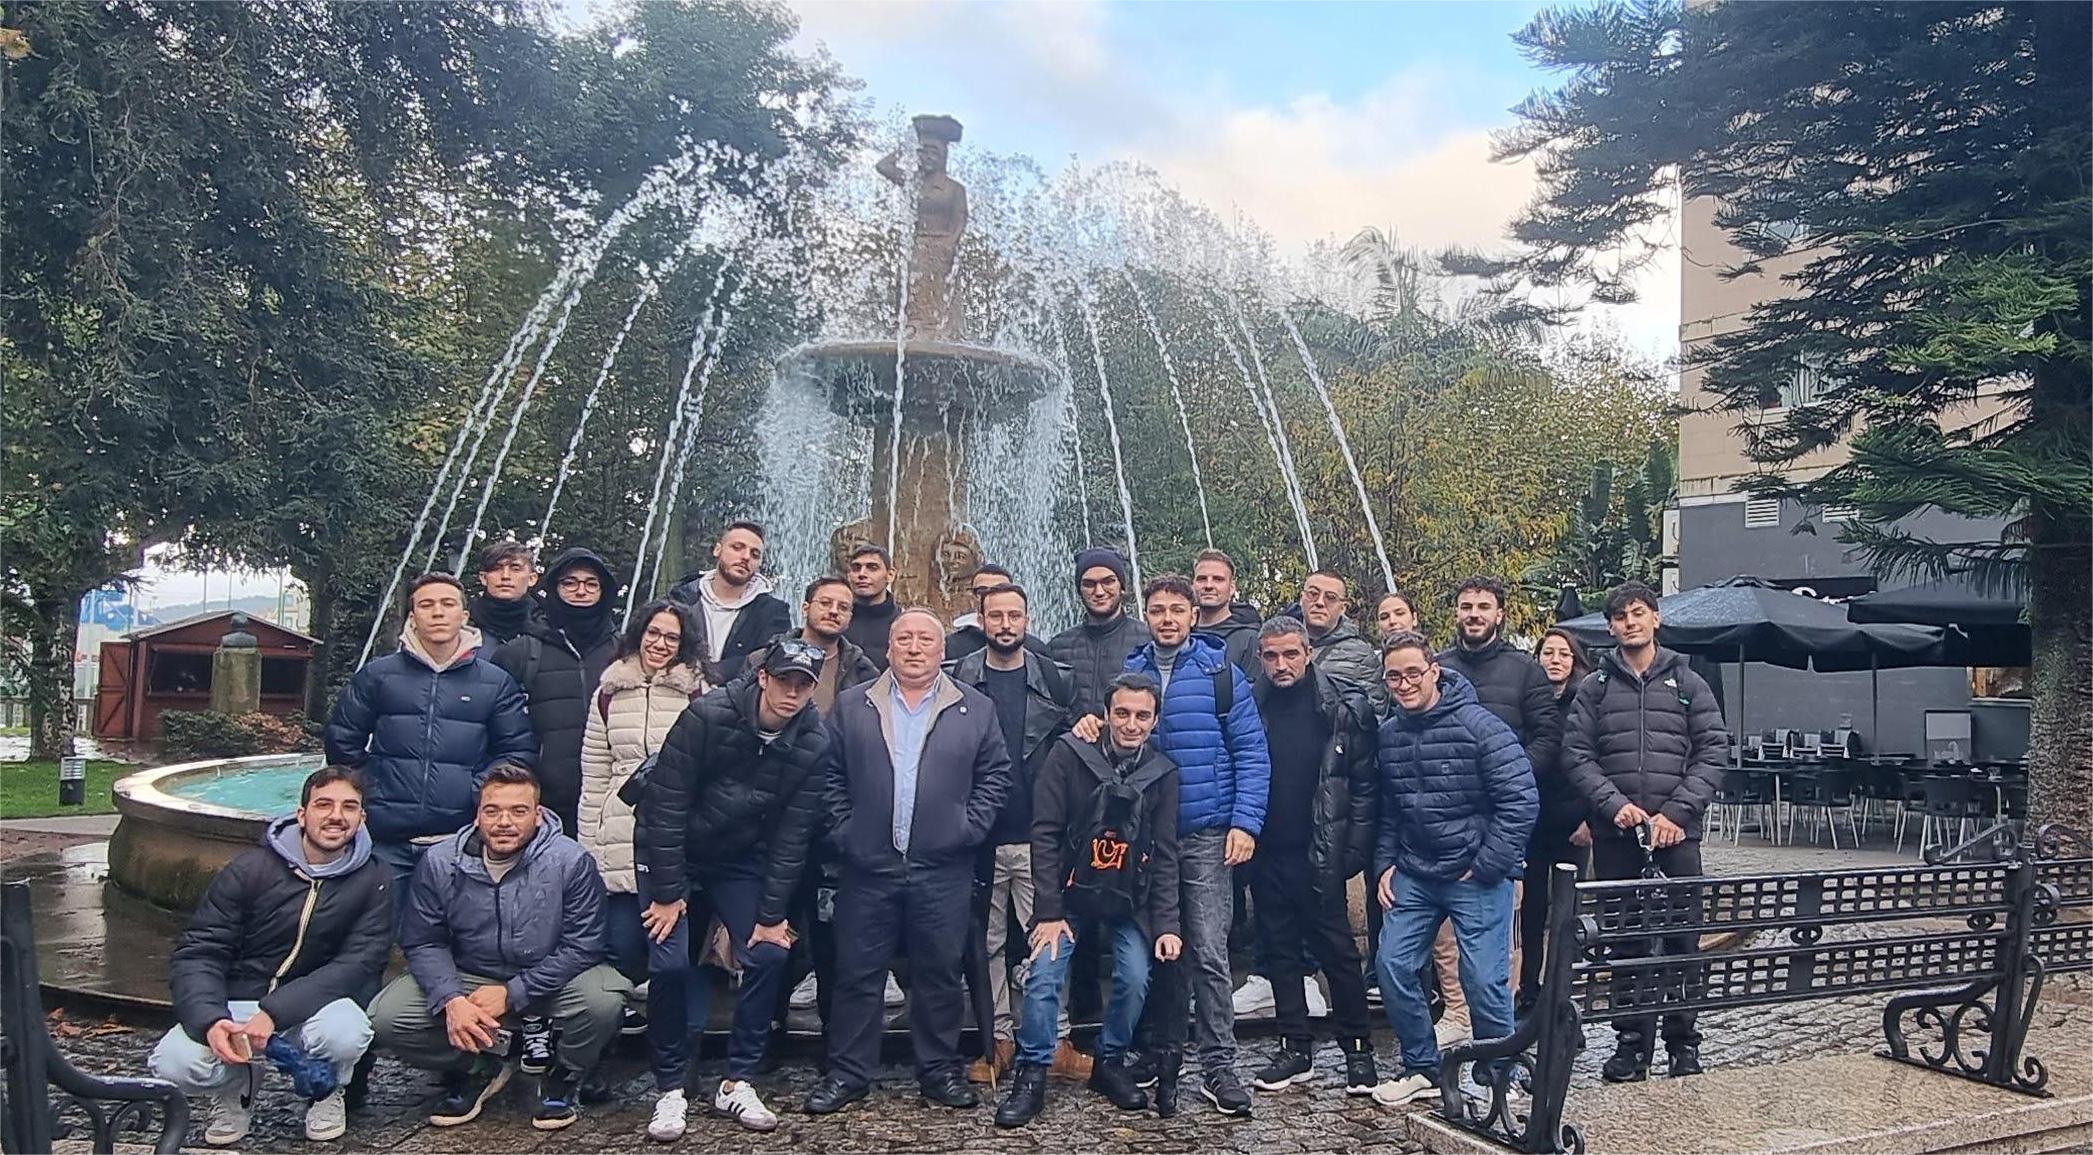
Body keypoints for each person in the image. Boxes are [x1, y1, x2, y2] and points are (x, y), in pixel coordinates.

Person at [804, 608, 1013, 1115]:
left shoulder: (974, 708)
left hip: (943, 868)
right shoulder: (854, 705)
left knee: (939, 973)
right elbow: (828, 775)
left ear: (942, 651)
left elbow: (996, 775)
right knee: (857, 972)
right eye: (905, 639)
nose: (914, 648)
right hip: (867, 866)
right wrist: (847, 832)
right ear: (889, 648)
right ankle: (848, 1072)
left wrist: (967, 828)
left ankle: (938, 1071)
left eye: (925, 640)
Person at [635, 642, 832, 1137]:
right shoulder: (707, 715)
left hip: (740, 856)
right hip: (671, 848)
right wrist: (668, 892)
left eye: (804, 684)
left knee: (769, 953)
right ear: (763, 677)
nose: (792, 692)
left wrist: (770, 915)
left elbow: (793, 835)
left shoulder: (814, 741)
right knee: (669, 962)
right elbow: (666, 805)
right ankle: (669, 1087)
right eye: (784, 680)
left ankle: (737, 1080)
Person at [370, 765, 631, 1132]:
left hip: (549, 977)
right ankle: (478, 1065)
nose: (504, 822)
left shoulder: (571, 861)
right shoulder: (441, 862)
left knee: (604, 1000)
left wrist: (513, 993)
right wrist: (451, 999)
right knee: (386, 1017)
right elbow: (424, 939)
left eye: (518, 811)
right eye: (492, 811)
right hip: (471, 975)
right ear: (477, 815)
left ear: (538, 815)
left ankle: (564, 1075)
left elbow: (584, 944)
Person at [150, 766, 392, 1146]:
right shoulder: (250, 870)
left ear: (362, 818)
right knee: (173, 1063)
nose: (336, 816)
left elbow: (359, 962)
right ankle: (236, 1083)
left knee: (347, 1033)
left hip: (313, 1005)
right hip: (238, 1000)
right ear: (301, 815)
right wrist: (212, 1020)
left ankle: (327, 1089)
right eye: (324, 805)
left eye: (349, 807)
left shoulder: (374, 879)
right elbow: (200, 952)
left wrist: (275, 1012)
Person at [994, 674, 1183, 1127]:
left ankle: (1109, 1060)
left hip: (1128, 897)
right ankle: (1033, 1071)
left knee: (1135, 975)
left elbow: (1165, 854)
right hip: (1069, 892)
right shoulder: (1068, 754)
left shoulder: (1164, 774)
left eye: (1142, 716)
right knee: (1044, 971)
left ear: (1155, 721)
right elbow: (1044, 833)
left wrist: (1168, 925)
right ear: (1106, 714)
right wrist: (1048, 911)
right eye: (1122, 713)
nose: (1131, 724)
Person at [1562, 582, 1727, 1083]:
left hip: (1677, 837)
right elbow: (1577, 755)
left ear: (1656, 619)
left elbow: (1713, 751)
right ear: (1610, 627)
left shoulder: (1689, 682)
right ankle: (1631, 1044)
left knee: (1682, 943)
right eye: (1621, 616)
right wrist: (1615, 807)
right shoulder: (1594, 688)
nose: (1630, 622)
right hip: (1618, 836)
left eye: (1638, 613)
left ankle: (1683, 1043)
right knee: (1625, 944)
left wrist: (1677, 814)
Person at [1118, 573, 1270, 1116]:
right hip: (1146, 839)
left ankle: (1219, 1064)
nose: (1167, 619)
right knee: (1159, 949)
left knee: (1208, 951)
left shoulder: (1220, 673)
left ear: (1191, 615)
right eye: (1157, 610)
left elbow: (1251, 752)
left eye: (1176, 610)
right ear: (1147, 614)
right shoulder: (1130, 674)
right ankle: (1160, 1053)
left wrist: (1245, 823)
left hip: (1206, 832)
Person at [1368, 631, 1537, 1108]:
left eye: (1413, 673)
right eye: (1394, 677)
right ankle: (1421, 1067)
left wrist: (1487, 865)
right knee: (1392, 965)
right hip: (1415, 871)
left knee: (1483, 979)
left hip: (1476, 874)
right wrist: (1384, 865)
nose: (1404, 684)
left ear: (1434, 672)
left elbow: (1520, 801)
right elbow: (1389, 810)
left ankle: (1500, 1071)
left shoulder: (1482, 727)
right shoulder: (1389, 734)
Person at [325, 572, 536, 909]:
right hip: (386, 839)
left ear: (464, 616)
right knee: (381, 931)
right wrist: (374, 788)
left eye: (447, 604)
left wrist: (475, 791)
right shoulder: (378, 675)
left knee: (454, 934)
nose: (437, 612)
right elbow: (342, 741)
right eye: (426, 605)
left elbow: (516, 752)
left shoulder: (496, 683)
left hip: (459, 839)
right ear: (413, 617)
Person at [945, 582, 1086, 1084]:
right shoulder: (956, 678)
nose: (1005, 624)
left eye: (1014, 615)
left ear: (1027, 619)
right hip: (978, 835)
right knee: (984, 944)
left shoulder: (1057, 680)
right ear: (980, 619)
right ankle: (998, 1038)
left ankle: (1056, 1039)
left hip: (1038, 835)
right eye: (996, 615)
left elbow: (1079, 751)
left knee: (1047, 938)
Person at [1243, 617, 1380, 1098]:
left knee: (1338, 954)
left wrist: (1353, 851)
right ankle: (1294, 1047)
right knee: (1280, 952)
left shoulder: (1342, 705)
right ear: (1260, 658)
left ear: (1307, 653)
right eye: (1271, 656)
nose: (1281, 664)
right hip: (1266, 850)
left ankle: (1358, 1050)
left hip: (1320, 851)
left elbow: (1364, 786)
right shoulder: (1249, 704)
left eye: (1290, 654)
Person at [575, 599, 708, 1041]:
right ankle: (607, 1032)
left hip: (677, 839)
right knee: (623, 946)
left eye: (672, 637)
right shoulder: (608, 693)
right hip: (619, 836)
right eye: (654, 633)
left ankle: (676, 1045)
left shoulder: (697, 694)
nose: (661, 644)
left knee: (677, 953)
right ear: (638, 634)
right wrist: (590, 847)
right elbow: (595, 774)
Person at [1434, 576, 1562, 1022]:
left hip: (1503, 820)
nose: (1474, 614)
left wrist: (1509, 777)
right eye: (1466, 606)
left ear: (1499, 614)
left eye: (1483, 607)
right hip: (1446, 817)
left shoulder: (1525, 670)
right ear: (1457, 612)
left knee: (1503, 929)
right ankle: (1457, 1015)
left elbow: (1548, 737)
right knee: (1447, 934)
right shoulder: (1438, 668)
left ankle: (1499, 1024)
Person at [493, 547, 622, 835]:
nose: (581, 591)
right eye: (570, 583)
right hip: (540, 803)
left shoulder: (623, 652)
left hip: (608, 801)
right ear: (554, 588)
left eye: (591, 584)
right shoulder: (521, 652)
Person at [1521, 627, 1596, 1005]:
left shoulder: (1586, 700)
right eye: (1548, 653)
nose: (1555, 660)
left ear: (1574, 660)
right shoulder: (1527, 699)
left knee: (1568, 912)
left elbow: (1598, 760)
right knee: (1531, 911)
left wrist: (1591, 820)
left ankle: (1562, 988)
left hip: (1573, 821)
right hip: (1532, 821)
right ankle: (1528, 988)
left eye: (1563, 654)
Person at [668, 520, 792, 681]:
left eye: (755, 554)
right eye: (737, 547)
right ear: (717, 550)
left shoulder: (773, 613)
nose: (746, 557)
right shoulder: (682, 598)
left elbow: (769, 661)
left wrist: (711, 675)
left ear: (759, 564)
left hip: (737, 695)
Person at [1047, 546, 1151, 719]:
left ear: (1122, 586)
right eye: (1089, 584)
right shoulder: (1057, 647)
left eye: (1108, 582)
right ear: (1079, 590)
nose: (1099, 592)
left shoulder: (1147, 640)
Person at [750, 577, 880, 713]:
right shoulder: (761, 660)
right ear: (805, 609)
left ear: (850, 618)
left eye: (843, 607)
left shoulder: (863, 671)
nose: (834, 611)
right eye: (825, 603)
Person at [947, 564, 1052, 661]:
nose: (990, 595)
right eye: (982, 591)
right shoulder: (950, 646)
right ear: (972, 596)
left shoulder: (1037, 649)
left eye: (1001, 589)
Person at [1298, 570, 1378, 688]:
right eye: (1313, 594)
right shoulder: (1277, 641)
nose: (1320, 603)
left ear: (1343, 608)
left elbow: (1373, 698)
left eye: (1331, 597)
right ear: (1301, 598)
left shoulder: (1361, 656)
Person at [1190, 548, 1262, 673]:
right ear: (1193, 585)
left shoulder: (1249, 640)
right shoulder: (1180, 635)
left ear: (1232, 587)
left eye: (1218, 579)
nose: (1208, 585)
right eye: (1202, 579)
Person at [469, 541, 541, 648]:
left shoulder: (547, 628)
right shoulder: (462, 624)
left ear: (532, 579)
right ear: (484, 578)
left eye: (515, 569)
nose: (505, 576)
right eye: (496, 568)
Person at [842, 543, 901, 671]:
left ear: (890, 575)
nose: (862, 574)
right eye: (856, 568)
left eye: (872, 568)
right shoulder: (835, 619)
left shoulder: (904, 623)